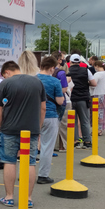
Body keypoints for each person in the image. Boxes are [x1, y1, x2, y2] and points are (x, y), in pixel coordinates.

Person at [0, 61, 46, 207]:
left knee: (9, 161)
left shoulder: (5, 84)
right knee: (30, 162)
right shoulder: (37, 82)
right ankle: (28, 198)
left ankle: (9, 197)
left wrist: (1, 126)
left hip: (9, 130)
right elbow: (43, 108)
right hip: (31, 130)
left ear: (7, 72)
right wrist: (39, 127)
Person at [36, 56, 65, 184]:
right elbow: (60, 100)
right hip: (50, 115)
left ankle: (26, 171)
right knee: (47, 147)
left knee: (30, 146)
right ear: (52, 68)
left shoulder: (33, 79)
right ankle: (43, 175)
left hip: (34, 116)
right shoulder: (55, 82)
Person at [68, 54, 96, 148]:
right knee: (85, 120)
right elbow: (94, 83)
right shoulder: (86, 70)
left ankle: (75, 140)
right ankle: (87, 141)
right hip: (83, 98)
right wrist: (86, 83)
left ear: (70, 62)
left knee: (73, 121)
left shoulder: (67, 71)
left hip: (71, 98)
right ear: (80, 62)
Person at [51, 51, 70, 152]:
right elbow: (64, 89)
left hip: (49, 102)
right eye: (62, 58)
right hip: (60, 102)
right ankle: (62, 146)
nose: (63, 60)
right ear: (58, 60)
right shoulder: (61, 73)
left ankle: (54, 145)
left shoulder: (48, 72)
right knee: (62, 125)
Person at [91, 60, 105, 133]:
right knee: (103, 112)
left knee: (97, 112)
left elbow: (93, 83)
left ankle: (97, 129)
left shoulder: (97, 74)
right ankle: (100, 129)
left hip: (98, 94)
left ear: (97, 66)